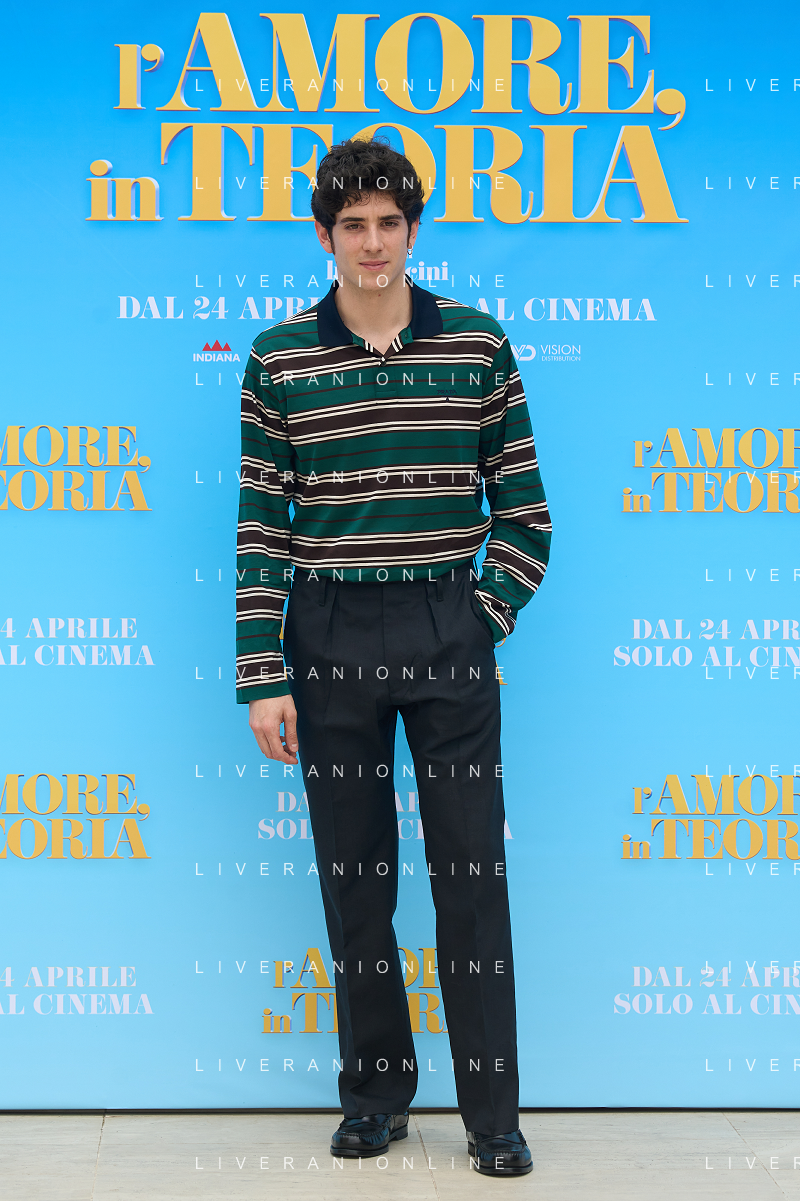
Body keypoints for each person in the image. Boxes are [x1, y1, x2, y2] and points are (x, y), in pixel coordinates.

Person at [236, 137, 550, 1177]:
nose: (371, 243)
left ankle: (493, 1116)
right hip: (325, 632)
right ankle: (375, 1096)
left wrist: (478, 618)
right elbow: (262, 526)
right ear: (324, 236)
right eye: (352, 225)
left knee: (471, 877)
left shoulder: (477, 344)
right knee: (355, 880)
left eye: (387, 223)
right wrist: (263, 672)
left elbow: (524, 512)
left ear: (412, 231)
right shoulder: (279, 358)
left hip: (443, 623)